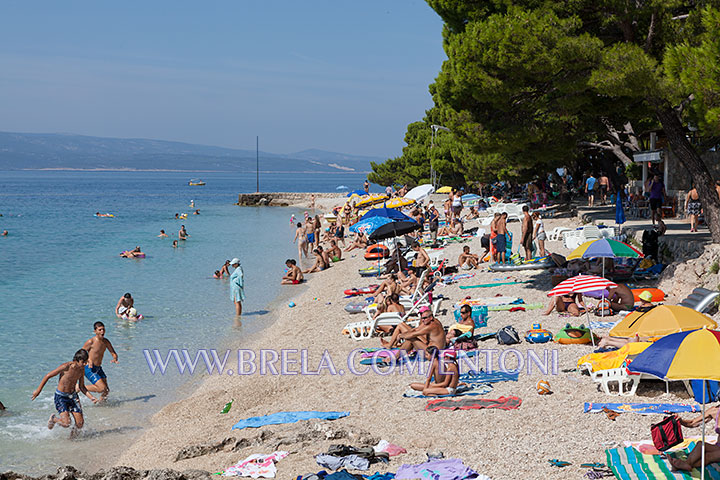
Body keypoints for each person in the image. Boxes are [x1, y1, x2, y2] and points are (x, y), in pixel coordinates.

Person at [31, 349, 98, 436]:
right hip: (61, 397)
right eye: (83, 362)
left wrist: (91, 397)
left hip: (73, 397)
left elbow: (81, 386)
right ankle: (54, 419)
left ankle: (72, 440)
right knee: (66, 423)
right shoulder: (66, 366)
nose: (85, 364)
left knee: (80, 424)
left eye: (86, 361)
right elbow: (48, 376)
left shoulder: (81, 370)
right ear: (76, 360)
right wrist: (38, 391)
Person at [668, 405, 720, 472]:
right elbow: (693, 423)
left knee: (708, 456)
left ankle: (682, 465)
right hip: (717, 446)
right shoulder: (714, 411)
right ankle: (685, 464)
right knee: (700, 444)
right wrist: (681, 421)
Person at [380, 307, 446, 359]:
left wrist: (400, 336)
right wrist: (403, 335)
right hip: (431, 347)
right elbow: (416, 330)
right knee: (402, 326)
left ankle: (395, 357)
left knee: (411, 338)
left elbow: (414, 334)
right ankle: (393, 347)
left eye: (424, 318)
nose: (422, 319)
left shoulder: (431, 326)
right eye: (421, 317)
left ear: (431, 317)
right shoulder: (433, 321)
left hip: (432, 352)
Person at [81, 321, 118, 402]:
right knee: (101, 388)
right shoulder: (91, 342)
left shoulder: (106, 342)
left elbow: (113, 352)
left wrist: (115, 358)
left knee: (106, 390)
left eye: (103, 329)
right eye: (100, 330)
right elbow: (81, 354)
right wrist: (89, 359)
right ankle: (79, 387)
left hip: (98, 368)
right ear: (95, 331)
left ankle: (101, 405)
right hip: (89, 368)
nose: (102, 332)